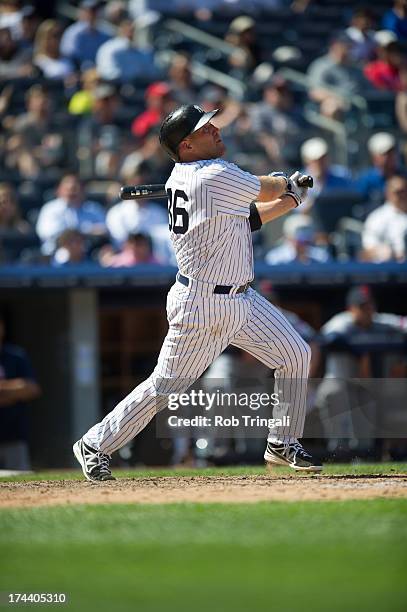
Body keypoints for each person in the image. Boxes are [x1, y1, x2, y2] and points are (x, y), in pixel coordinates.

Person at [73, 103, 322, 481]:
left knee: (295, 354)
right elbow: (263, 188)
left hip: (241, 299)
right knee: (166, 386)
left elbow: (249, 218)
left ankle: (282, 442)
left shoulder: (193, 177)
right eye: (205, 129)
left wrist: (290, 200)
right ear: (186, 146)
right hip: (203, 304)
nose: (216, 130)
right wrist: (286, 183)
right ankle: (95, 443)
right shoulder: (212, 175)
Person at [0, 313, 41, 470]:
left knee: (20, 481)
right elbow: (20, 388)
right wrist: (13, 392)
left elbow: (31, 389)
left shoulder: (15, 356)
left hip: (14, 437)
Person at [36, 174, 107, 255]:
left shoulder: (93, 209)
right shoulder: (50, 209)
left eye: (75, 189)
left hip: (88, 254)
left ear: (83, 190)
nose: (71, 193)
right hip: (54, 255)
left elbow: (104, 230)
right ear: (59, 190)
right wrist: (86, 230)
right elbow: (47, 233)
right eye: (67, 189)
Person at [307, 33, 367, 119]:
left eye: (349, 47)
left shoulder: (356, 67)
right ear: (334, 46)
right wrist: (339, 98)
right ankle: (331, 132)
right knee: (332, 106)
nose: (347, 50)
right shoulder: (321, 65)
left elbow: (367, 88)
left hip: (357, 104)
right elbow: (315, 92)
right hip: (333, 103)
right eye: (344, 46)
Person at [95, 17, 158, 83]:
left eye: (132, 30)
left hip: (137, 83)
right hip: (114, 83)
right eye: (126, 29)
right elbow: (107, 72)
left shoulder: (142, 50)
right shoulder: (110, 47)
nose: (130, 33)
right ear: (120, 29)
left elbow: (150, 71)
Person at [362, 173, 407, 262]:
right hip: (390, 270)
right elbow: (366, 252)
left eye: (405, 191)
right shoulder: (377, 218)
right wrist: (384, 252)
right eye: (398, 192)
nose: (403, 195)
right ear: (387, 193)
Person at [60, 0, 111, 69]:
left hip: (97, 72)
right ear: (81, 12)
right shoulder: (73, 32)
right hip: (76, 71)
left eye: (95, 11)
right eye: (89, 11)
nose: (92, 14)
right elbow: (68, 56)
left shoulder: (105, 33)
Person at [354, 132, 400, 207]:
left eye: (392, 152)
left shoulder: (404, 176)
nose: (389, 157)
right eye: (384, 154)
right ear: (374, 156)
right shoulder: (365, 180)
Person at [265, 214, 331, 264]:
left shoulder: (321, 257)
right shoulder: (275, 258)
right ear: (289, 238)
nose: (304, 244)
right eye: (300, 241)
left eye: (307, 241)